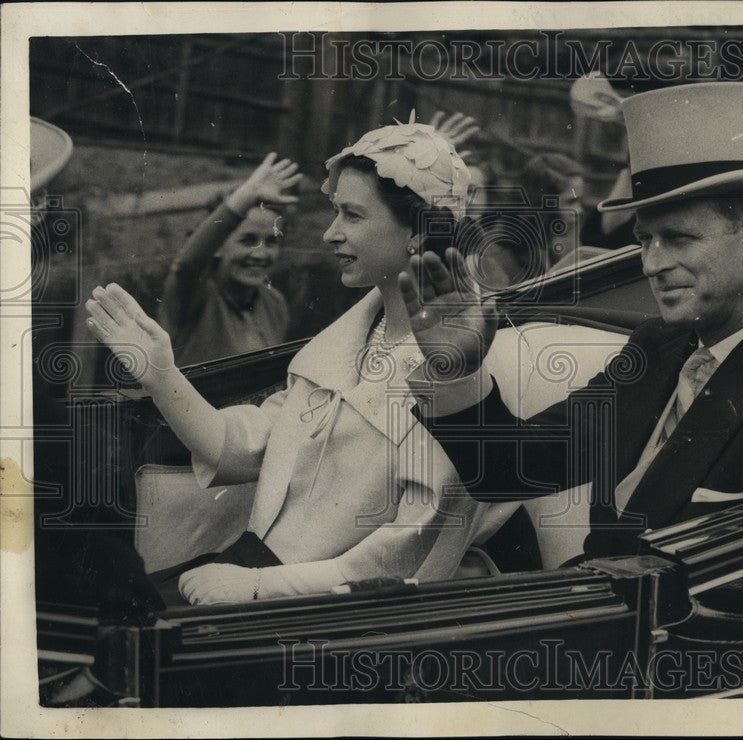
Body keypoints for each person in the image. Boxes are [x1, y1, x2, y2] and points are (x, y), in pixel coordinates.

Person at [399, 82, 743, 560]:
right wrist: (458, 369)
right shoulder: (659, 346)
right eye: (645, 239)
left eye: (678, 239)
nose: (652, 264)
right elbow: (511, 470)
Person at [84, 117, 509, 605]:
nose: (330, 234)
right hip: (252, 570)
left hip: (326, 614)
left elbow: (412, 546)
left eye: (352, 215)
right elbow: (240, 450)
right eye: (336, 213)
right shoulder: (345, 340)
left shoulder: (456, 370)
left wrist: (264, 586)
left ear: (417, 232)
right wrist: (161, 374)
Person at [158, 153, 299, 366]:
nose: (260, 254)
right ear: (218, 246)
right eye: (248, 240)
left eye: (271, 242)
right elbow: (186, 266)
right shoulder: (195, 295)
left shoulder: (274, 303)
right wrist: (247, 195)